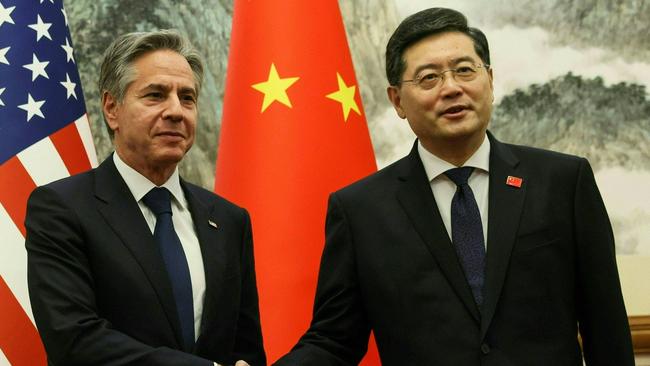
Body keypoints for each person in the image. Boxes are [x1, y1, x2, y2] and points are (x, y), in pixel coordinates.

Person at [274, 7, 634, 366]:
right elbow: (335, 341)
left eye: (464, 70)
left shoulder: (563, 182)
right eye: (429, 78)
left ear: (490, 80)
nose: (451, 88)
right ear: (397, 100)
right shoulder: (360, 211)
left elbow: (606, 328)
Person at [25, 30, 265, 366]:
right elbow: (74, 338)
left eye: (187, 98)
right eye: (155, 95)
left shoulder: (228, 220)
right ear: (112, 108)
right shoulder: (62, 208)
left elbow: (246, 347)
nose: (176, 111)